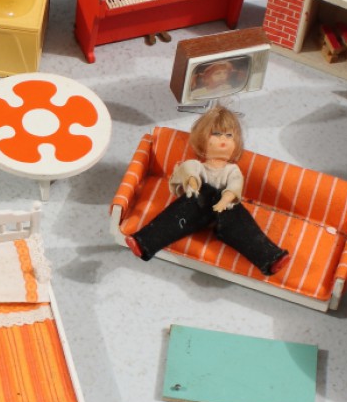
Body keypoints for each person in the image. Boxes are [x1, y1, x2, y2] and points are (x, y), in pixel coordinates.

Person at [122, 105, 288, 275]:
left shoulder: (232, 170)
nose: (223, 139)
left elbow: (234, 186)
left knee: (243, 223)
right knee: (178, 214)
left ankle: (271, 257)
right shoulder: (197, 166)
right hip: (196, 210)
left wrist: (225, 200)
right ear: (202, 141)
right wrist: (193, 182)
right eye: (216, 134)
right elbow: (188, 171)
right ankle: (143, 243)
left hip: (224, 214)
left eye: (229, 136)